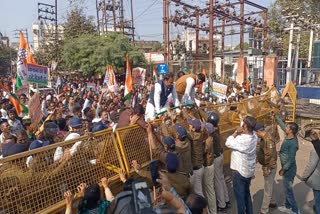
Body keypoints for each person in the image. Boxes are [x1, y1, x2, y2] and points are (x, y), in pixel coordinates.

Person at [225, 115, 258, 214]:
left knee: (240, 198)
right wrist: (241, 118)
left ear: (246, 126)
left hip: (239, 172)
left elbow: (228, 142)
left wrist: (235, 132)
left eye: (243, 124)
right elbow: (246, 129)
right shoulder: (254, 136)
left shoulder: (242, 140)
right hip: (248, 171)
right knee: (247, 194)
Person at [274, 113, 300, 214]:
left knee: (288, 191)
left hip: (289, 169)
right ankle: (287, 206)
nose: (286, 128)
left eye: (288, 127)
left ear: (291, 131)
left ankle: (295, 210)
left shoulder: (293, 143)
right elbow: (282, 125)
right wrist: (276, 116)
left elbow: (291, 160)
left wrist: (283, 169)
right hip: (287, 167)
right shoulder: (289, 135)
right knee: (286, 189)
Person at [207, 112, 230, 211]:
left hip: (216, 158)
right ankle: (226, 199)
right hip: (220, 155)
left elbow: (203, 124)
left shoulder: (211, 131)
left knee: (218, 182)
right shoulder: (216, 127)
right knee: (221, 179)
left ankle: (222, 204)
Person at [254, 124, 278, 214]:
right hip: (269, 165)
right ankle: (273, 202)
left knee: (267, 188)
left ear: (259, 131)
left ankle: (264, 210)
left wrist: (265, 167)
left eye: (256, 132)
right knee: (270, 184)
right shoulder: (264, 138)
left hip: (269, 166)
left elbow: (269, 155)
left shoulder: (268, 139)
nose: (255, 134)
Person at [301, 130, 320, 214]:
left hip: (318, 181)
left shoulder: (315, 151)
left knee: (318, 199)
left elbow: (311, 165)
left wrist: (304, 177)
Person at [201, 122, 217, 214]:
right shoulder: (209, 138)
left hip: (208, 166)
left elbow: (202, 151)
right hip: (210, 165)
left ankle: (213, 211)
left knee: (210, 190)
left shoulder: (208, 141)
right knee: (209, 189)